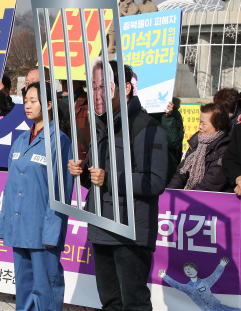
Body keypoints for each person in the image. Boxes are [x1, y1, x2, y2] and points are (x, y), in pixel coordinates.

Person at [69, 59, 168, 311]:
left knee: (133, 302)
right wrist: (82, 171)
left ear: (124, 89)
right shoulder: (101, 127)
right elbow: (96, 177)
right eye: (93, 87)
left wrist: (110, 179)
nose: (97, 94)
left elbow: (155, 181)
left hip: (130, 232)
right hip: (101, 225)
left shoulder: (148, 126)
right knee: (110, 302)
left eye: (104, 87)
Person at [0, 82, 73, 311]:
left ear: (48, 105)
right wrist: (5, 224)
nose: (27, 106)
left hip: (42, 231)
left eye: (33, 101)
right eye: (25, 101)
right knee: (24, 289)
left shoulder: (59, 141)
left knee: (46, 290)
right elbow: (10, 188)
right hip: (19, 227)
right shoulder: (19, 141)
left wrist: (52, 231)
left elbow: (61, 191)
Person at [168, 103, 231, 192]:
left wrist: (190, 197)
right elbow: (181, 172)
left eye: (203, 123)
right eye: (199, 122)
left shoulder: (225, 148)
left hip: (214, 200)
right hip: (194, 195)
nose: (199, 127)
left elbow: (212, 182)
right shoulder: (197, 141)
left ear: (218, 124)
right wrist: (171, 192)